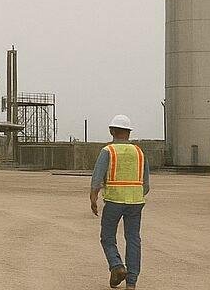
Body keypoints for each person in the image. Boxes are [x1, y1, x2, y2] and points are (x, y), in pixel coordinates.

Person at [89, 114, 149, 289]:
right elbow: (146, 183)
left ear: (111, 131)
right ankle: (131, 282)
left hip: (114, 201)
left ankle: (117, 266)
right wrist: (136, 194)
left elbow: (97, 178)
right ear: (129, 133)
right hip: (136, 202)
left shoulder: (108, 151)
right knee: (133, 239)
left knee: (107, 237)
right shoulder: (139, 152)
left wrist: (93, 198)